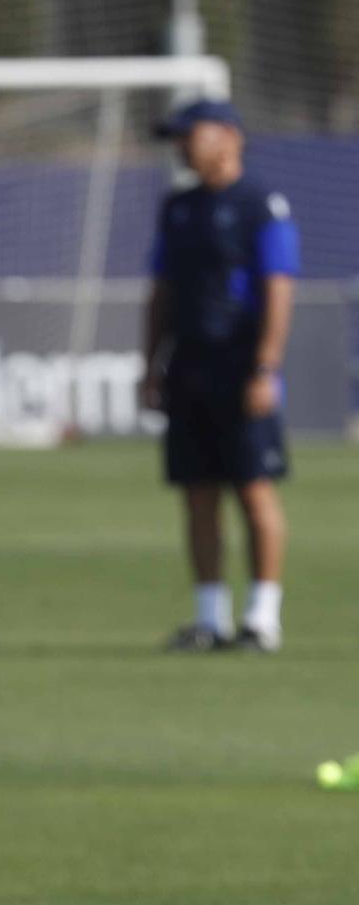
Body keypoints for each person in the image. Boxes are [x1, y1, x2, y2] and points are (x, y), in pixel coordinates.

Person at [142, 99, 297, 652]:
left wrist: (266, 366)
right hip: (189, 366)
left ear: (229, 136)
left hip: (240, 366)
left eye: (192, 134)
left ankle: (262, 617)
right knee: (197, 493)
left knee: (254, 491)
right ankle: (210, 617)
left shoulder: (260, 206)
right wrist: (150, 364)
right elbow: (161, 290)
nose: (183, 146)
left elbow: (279, 287)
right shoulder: (178, 207)